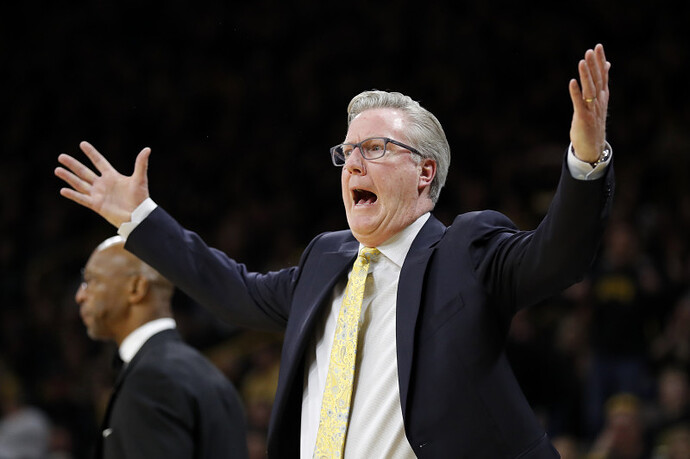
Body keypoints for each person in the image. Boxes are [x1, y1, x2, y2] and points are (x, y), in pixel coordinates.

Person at [56, 44, 614, 458]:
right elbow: (231, 290)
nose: (352, 165)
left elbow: (557, 255)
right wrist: (139, 218)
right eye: (346, 153)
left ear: (425, 172)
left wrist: (585, 159)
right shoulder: (325, 259)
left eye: (374, 148)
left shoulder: (465, 250)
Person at [75, 236, 248, 458]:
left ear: (136, 288)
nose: (80, 296)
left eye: (91, 281)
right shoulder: (208, 372)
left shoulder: (151, 380)